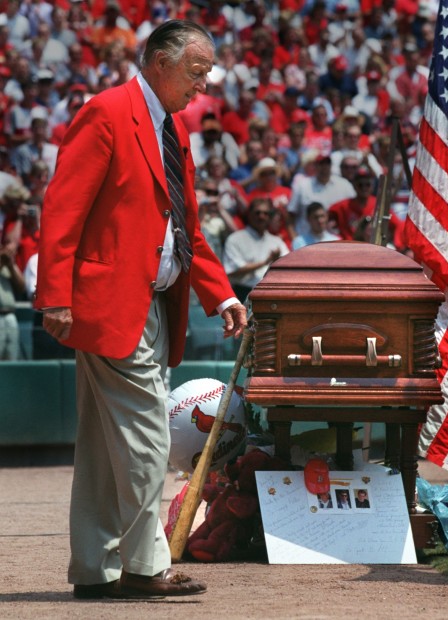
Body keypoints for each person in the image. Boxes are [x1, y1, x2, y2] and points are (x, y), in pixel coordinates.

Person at [34, 20, 247, 600]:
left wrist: (221, 293)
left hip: (152, 306)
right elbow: (62, 207)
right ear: (159, 62)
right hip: (107, 307)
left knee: (106, 448)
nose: (202, 86)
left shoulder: (170, 127)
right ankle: (146, 565)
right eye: (196, 72)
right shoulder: (107, 112)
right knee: (150, 437)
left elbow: (185, 228)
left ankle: (95, 570)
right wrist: (54, 293)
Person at [223, 197, 289, 303]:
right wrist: (266, 262)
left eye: (265, 213)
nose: (261, 216)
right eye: (257, 213)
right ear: (249, 214)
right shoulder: (235, 239)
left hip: (271, 294)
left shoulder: (276, 242)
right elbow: (233, 270)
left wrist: (277, 262)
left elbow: (288, 268)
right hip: (242, 293)